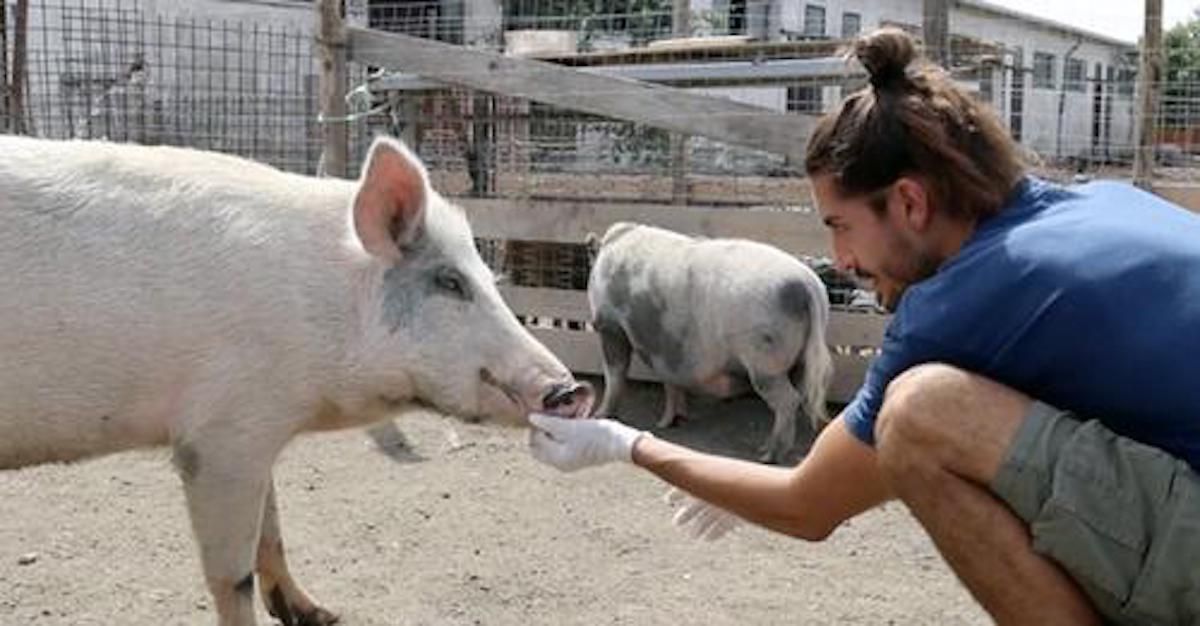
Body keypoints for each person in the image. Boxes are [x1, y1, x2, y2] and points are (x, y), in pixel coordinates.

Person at [526, 26, 1200, 626]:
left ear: (909, 201)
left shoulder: (956, 301)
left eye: (841, 227)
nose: (842, 260)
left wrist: (627, 444)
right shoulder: (1102, 205)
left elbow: (809, 507)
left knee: (917, 414)